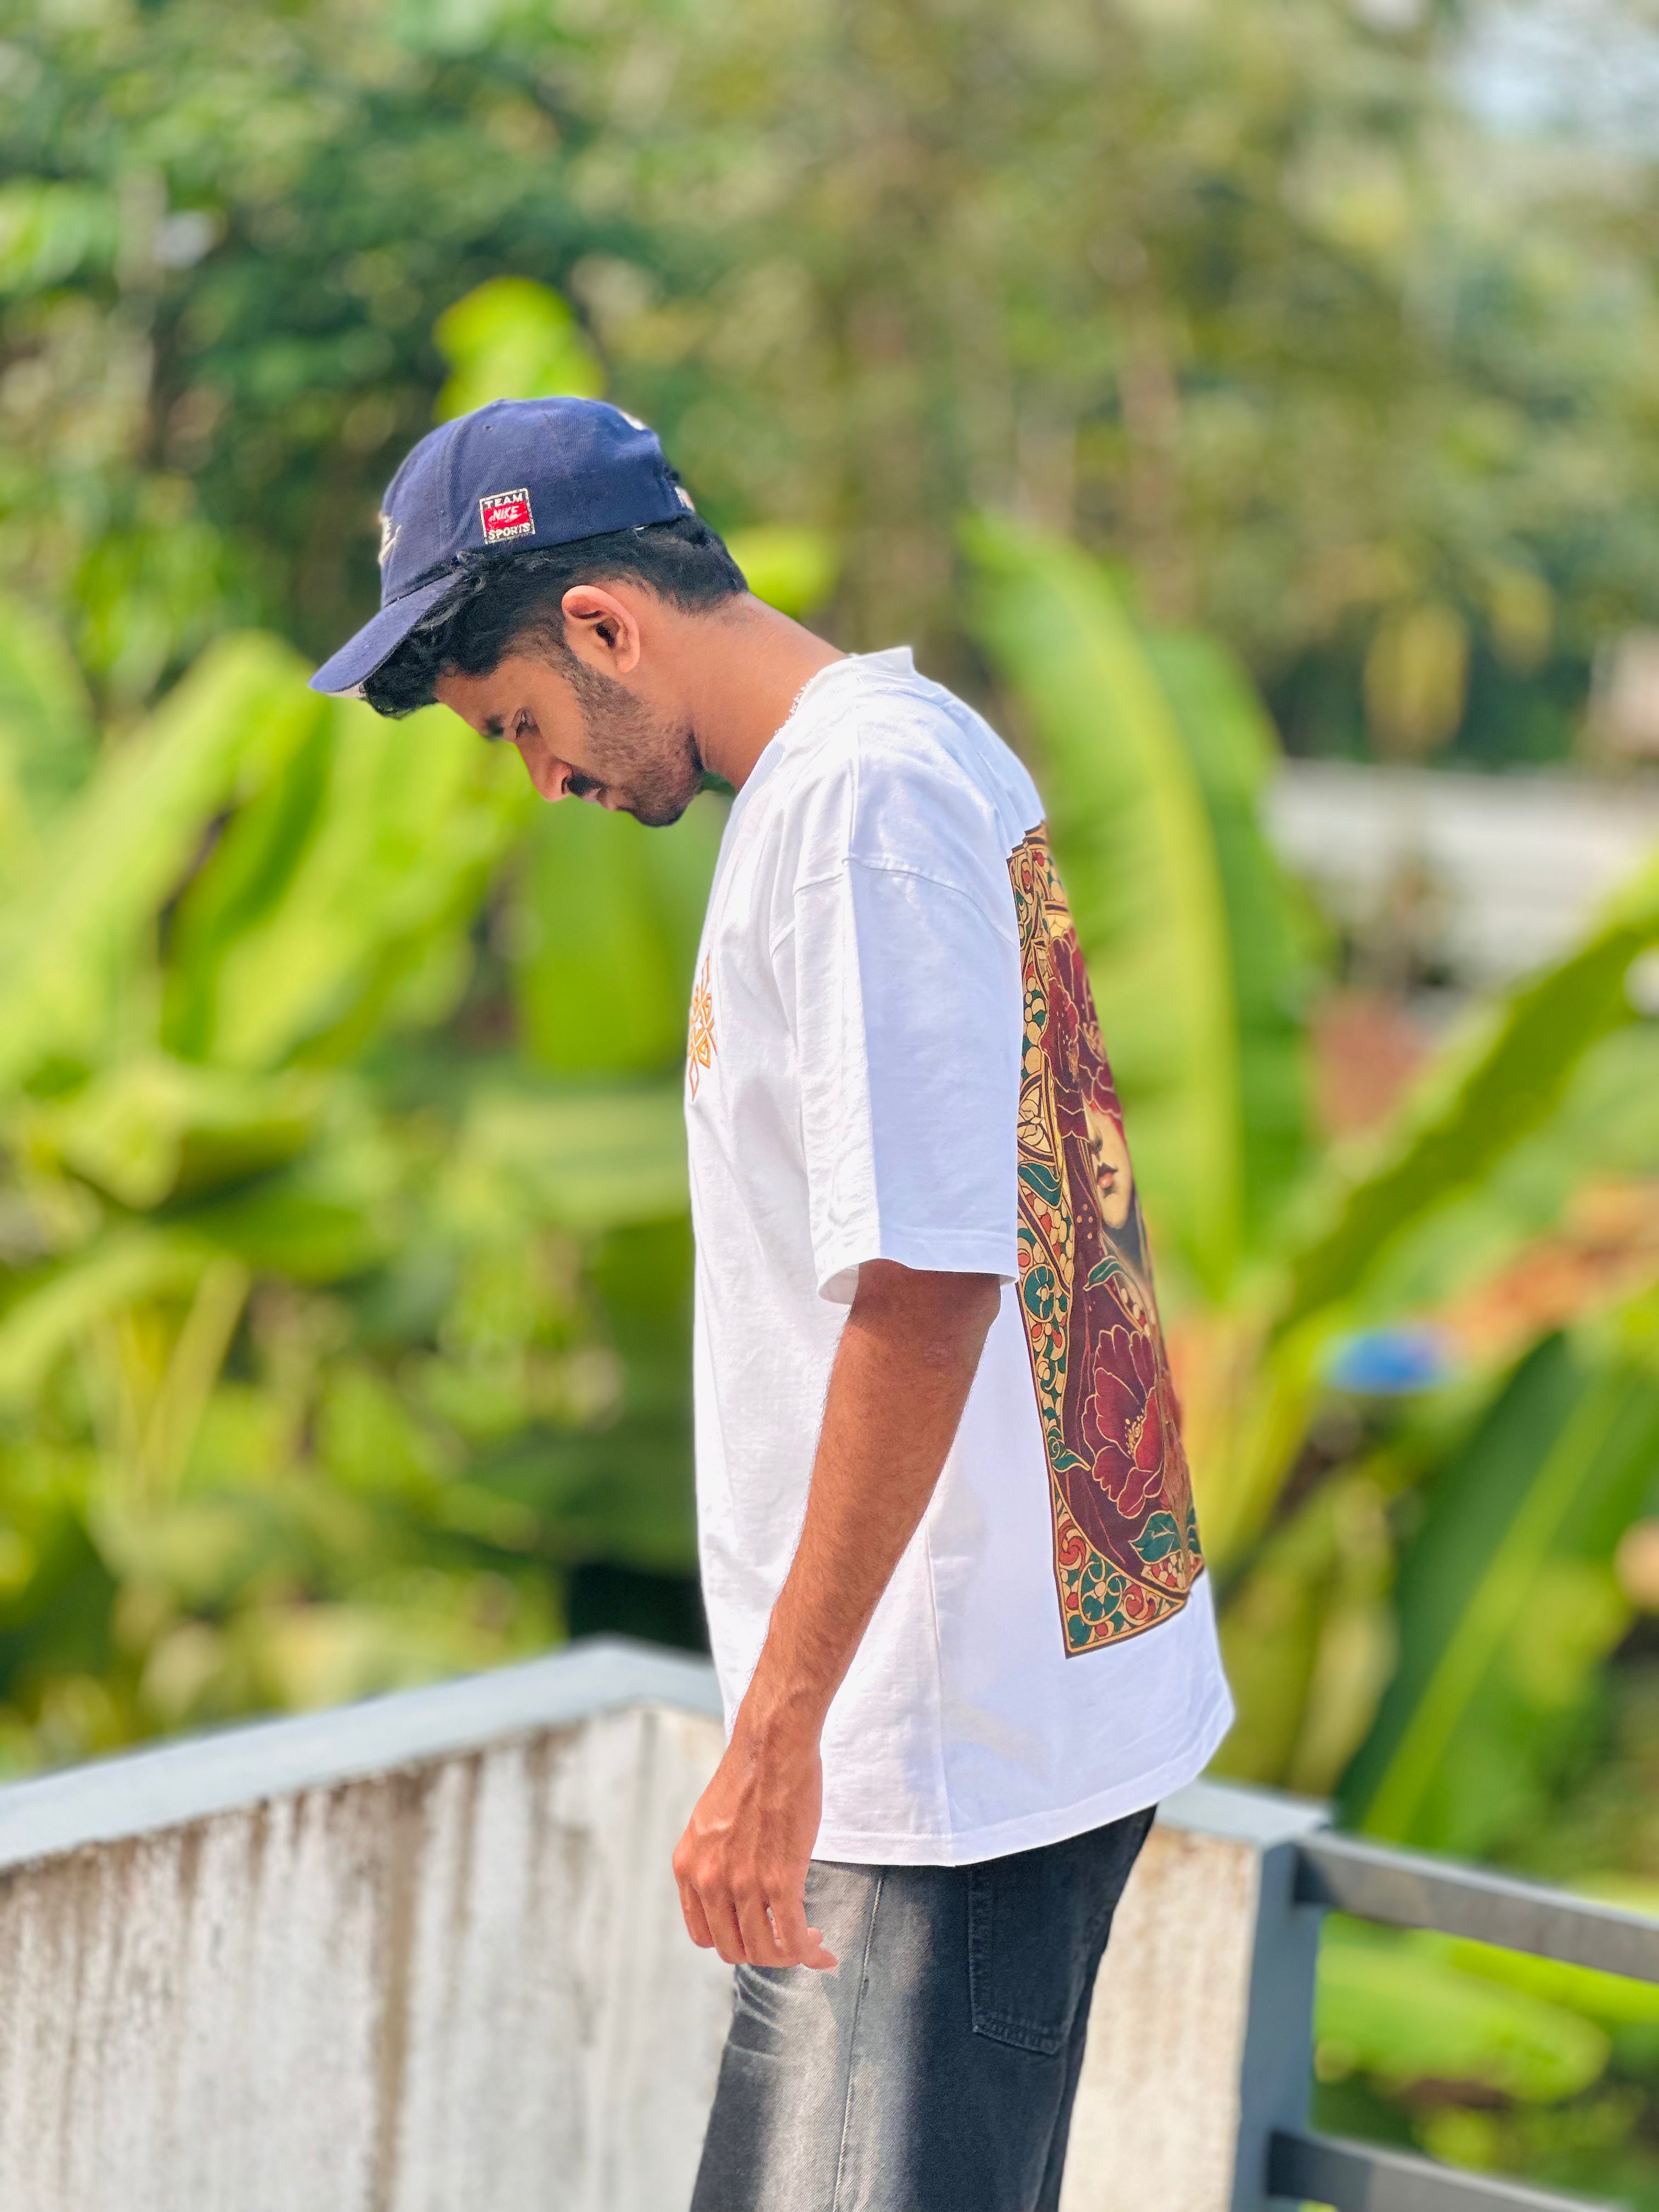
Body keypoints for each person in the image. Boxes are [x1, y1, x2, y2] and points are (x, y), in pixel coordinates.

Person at [313, 395, 1233, 2212]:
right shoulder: (903, 754)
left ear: (603, 626)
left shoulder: (858, 806)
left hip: (941, 1754)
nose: (547, 782)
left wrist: (776, 1740)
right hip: (955, 1729)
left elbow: (925, 1287)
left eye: (523, 728)